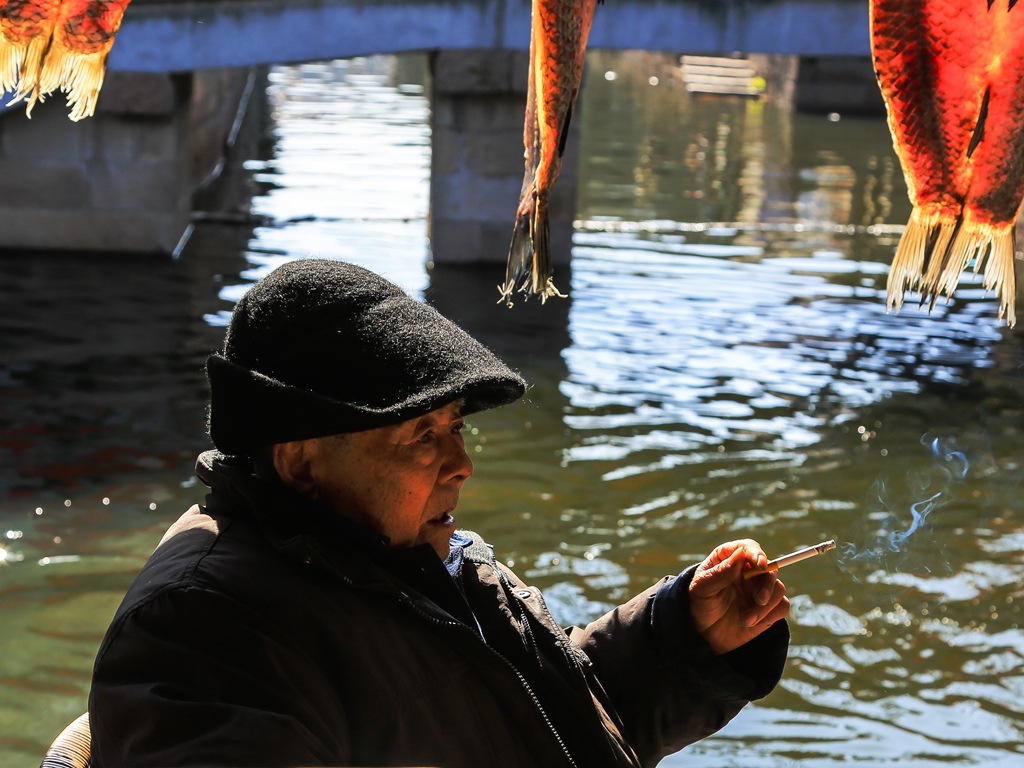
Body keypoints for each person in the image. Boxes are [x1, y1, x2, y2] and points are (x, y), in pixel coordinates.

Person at [88, 258, 790, 767]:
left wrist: (681, 639)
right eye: (423, 436)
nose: (461, 464)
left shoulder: (425, 560)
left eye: (457, 427)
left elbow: (550, 717)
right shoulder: (203, 629)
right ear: (301, 463)